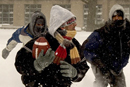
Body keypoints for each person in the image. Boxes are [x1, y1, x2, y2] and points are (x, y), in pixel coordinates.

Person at [15, 5, 89, 87]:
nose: (75, 24)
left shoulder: (73, 44)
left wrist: (75, 73)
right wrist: (35, 66)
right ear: (61, 26)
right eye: (71, 22)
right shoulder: (41, 40)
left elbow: (83, 66)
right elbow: (19, 62)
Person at [81, 4, 130, 87]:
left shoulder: (127, 32)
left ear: (123, 17)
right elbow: (86, 48)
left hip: (117, 67)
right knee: (102, 83)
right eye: (114, 16)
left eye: (119, 16)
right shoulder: (102, 32)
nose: (117, 18)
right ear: (111, 17)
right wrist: (97, 61)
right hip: (101, 64)